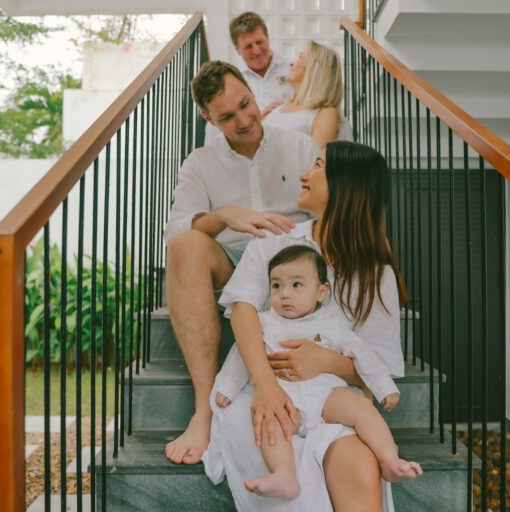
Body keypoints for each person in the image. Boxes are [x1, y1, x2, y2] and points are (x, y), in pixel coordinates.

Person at [203, 141, 408, 511]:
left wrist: (325, 360)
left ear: (346, 187)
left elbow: (379, 370)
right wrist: (265, 385)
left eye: (317, 166)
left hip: (333, 402)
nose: (304, 174)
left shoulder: (376, 275)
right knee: (295, 487)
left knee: (362, 471)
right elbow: (243, 308)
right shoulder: (276, 240)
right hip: (266, 392)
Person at [162, 60, 320, 466]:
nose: (245, 120)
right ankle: (203, 411)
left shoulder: (300, 146)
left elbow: (331, 203)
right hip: (233, 261)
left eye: (246, 105)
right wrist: (225, 215)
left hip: (296, 259)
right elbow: (177, 228)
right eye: (227, 117)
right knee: (185, 246)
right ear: (207, 118)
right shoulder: (199, 163)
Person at [212, 245, 421, 499]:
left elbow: (363, 355)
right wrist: (226, 388)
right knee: (271, 424)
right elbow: (241, 356)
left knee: (361, 408)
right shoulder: (264, 322)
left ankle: (389, 460)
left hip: (325, 395)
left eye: (296, 285)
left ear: (321, 292)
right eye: (276, 286)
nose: (284, 294)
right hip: (285, 398)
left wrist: (385, 388)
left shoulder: (332, 324)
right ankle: (284, 474)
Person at [204, 12, 293, 144]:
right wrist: (258, 119)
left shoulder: (293, 67)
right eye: (248, 46)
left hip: (290, 138)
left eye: (259, 42)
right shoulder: (230, 80)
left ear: (268, 39)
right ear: (238, 50)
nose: (256, 50)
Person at [263, 41, 352, 148]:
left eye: (300, 57)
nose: (291, 63)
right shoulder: (277, 109)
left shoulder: (324, 113)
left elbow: (316, 162)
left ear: (313, 69)